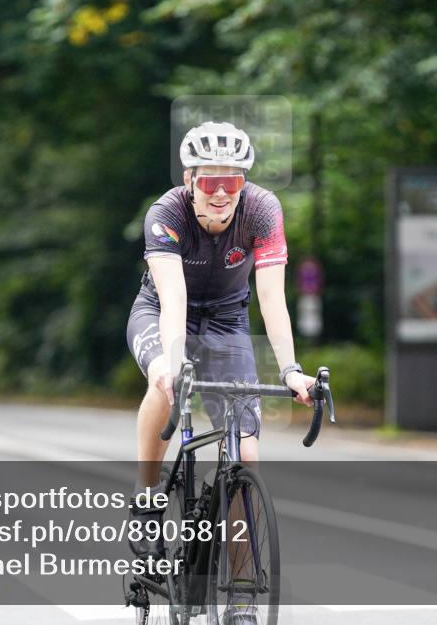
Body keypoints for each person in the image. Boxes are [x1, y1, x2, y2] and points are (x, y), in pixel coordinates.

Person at [125, 121, 316, 568]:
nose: (220, 192)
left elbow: (270, 298)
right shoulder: (166, 214)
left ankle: (242, 597)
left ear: (242, 183)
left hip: (228, 319)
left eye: (231, 181)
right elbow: (174, 299)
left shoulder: (263, 210)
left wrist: (290, 370)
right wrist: (173, 364)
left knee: (245, 455)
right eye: (210, 180)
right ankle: (147, 497)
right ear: (190, 180)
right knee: (161, 381)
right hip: (162, 311)